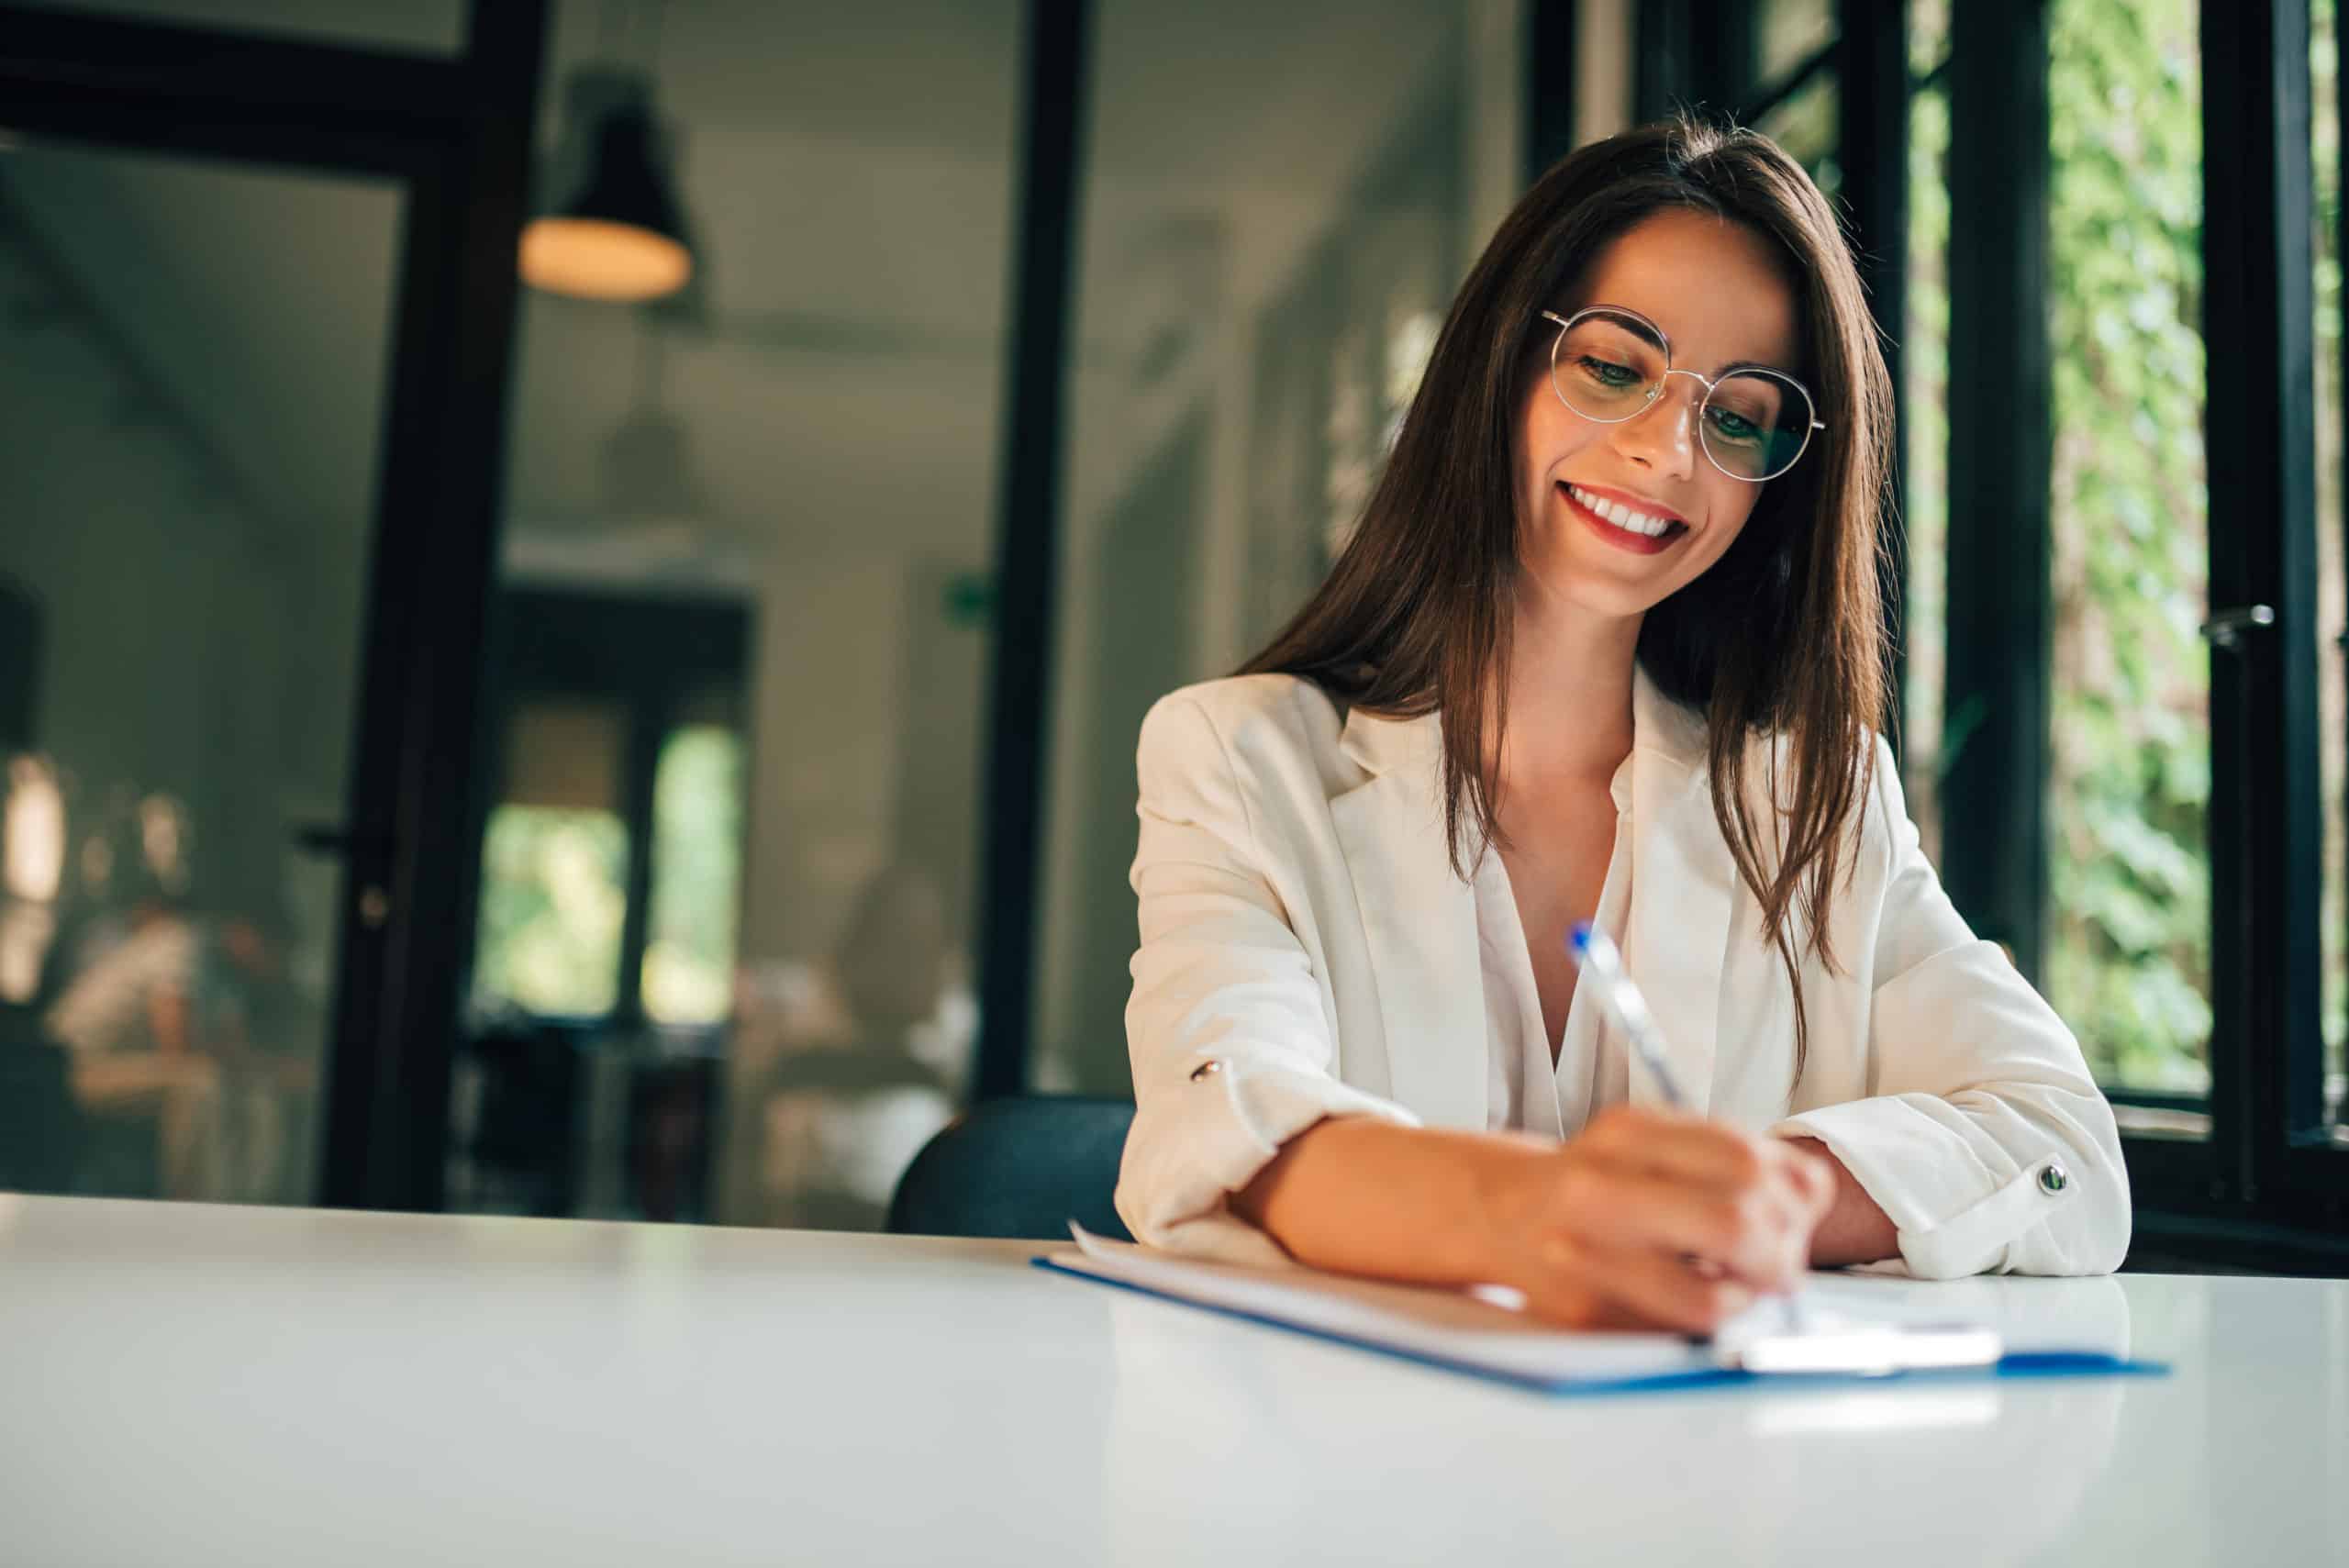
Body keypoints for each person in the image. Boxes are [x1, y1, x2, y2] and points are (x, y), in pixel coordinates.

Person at [1117, 117, 2130, 1333]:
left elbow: (2065, 1145)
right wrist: (1551, 1214)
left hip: (1698, 1492)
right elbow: (1231, 1126)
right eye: (1613, 364)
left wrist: (1769, 1198)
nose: (1664, 450)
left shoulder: (1813, 794)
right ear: (1500, 364)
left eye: (1741, 415)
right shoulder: (1236, 759)